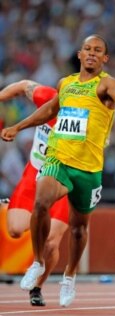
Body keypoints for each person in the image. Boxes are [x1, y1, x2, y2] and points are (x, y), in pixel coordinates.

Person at [1, 34, 115, 307]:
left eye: (98, 50)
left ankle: (69, 276)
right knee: (40, 204)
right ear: (79, 54)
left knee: (78, 230)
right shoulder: (65, 84)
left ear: (105, 58)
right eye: (87, 49)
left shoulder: (108, 84)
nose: (92, 53)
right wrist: (17, 127)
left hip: (88, 170)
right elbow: (47, 110)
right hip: (57, 161)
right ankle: (37, 263)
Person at [0, 80, 69, 306]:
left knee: (51, 242)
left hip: (64, 182)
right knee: (15, 230)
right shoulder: (46, 96)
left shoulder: (88, 115)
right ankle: (24, 211)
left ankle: (37, 287)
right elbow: (22, 86)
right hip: (34, 175)